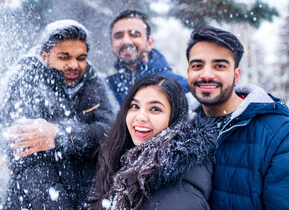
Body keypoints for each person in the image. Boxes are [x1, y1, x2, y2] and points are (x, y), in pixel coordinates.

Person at [0, 20, 115, 209]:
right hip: (34, 201)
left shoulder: (92, 82)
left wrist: (62, 136)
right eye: (64, 57)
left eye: (81, 58)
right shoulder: (26, 80)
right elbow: (26, 158)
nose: (74, 65)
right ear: (45, 56)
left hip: (88, 197)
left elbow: (109, 133)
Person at [186, 25, 289, 209]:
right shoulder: (180, 127)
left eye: (219, 66)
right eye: (197, 65)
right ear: (188, 73)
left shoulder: (279, 133)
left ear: (236, 75)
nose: (207, 75)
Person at [88, 74, 217, 210]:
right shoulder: (125, 162)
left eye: (155, 109)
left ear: (175, 118)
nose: (140, 117)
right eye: (135, 106)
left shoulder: (180, 189)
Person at [106, 10, 189, 105]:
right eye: (119, 36)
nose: (126, 41)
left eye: (134, 35)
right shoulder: (106, 88)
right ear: (111, 45)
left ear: (149, 43)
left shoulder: (179, 86)